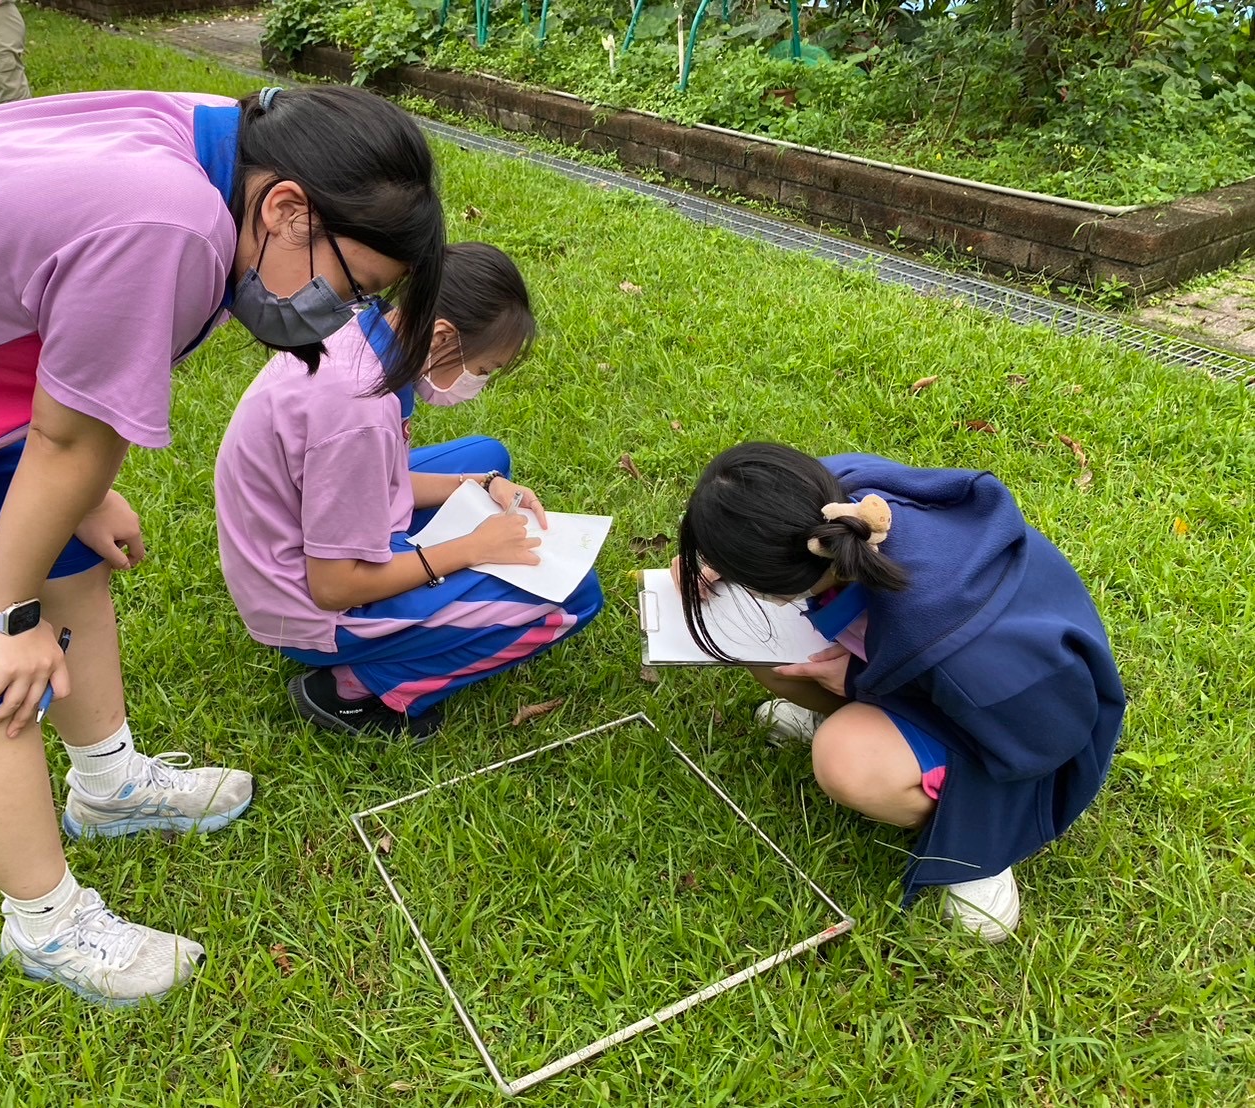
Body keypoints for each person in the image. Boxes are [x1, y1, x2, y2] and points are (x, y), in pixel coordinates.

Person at [0, 85, 444, 1004]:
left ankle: (108, 784)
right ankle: (46, 926)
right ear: (288, 206)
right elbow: (69, 434)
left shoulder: (224, 143)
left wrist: (79, 490)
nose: (333, 316)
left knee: (72, 565)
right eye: (349, 285)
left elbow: (59, 351)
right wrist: (4, 614)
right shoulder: (171, 221)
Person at [673, 444, 1123, 941]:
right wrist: (712, 564)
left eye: (747, 577)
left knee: (846, 760)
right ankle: (871, 719)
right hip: (943, 669)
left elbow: (1049, 738)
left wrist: (856, 682)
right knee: (757, 641)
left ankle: (981, 849)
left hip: (1023, 721)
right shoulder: (837, 503)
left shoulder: (953, 643)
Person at [215, 242, 603, 739]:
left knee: (487, 458)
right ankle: (356, 689)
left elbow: (375, 477)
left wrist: (479, 484)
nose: (476, 383)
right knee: (575, 597)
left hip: (291, 530)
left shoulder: (366, 330)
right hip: (306, 603)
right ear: (442, 336)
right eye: (481, 370)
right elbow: (334, 587)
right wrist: (469, 549)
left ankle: (455, 526)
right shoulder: (360, 414)